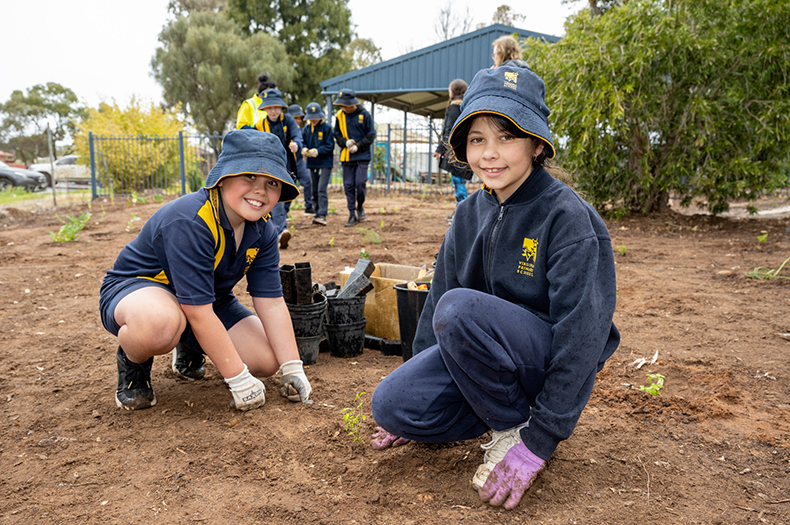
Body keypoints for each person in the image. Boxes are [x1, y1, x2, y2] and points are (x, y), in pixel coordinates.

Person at [370, 65, 620, 510]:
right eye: (477, 139)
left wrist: (539, 440)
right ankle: (500, 414)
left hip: (544, 362)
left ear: (537, 144)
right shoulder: (467, 215)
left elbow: (583, 336)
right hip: (483, 362)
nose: (490, 153)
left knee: (460, 309)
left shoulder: (566, 216)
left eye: (507, 137)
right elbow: (434, 313)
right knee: (391, 403)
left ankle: (513, 429)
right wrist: (413, 384)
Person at [99, 129, 312, 412]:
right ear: (223, 178)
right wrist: (238, 379)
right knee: (160, 325)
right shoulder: (190, 220)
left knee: (267, 360)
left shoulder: (264, 230)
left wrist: (292, 368)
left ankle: (189, 342)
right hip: (141, 289)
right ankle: (133, 360)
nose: (260, 190)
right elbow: (198, 311)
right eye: (249, 176)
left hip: (206, 300)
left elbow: (271, 302)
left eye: (272, 182)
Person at [236, 74, 291, 249]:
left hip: (272, 155)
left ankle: (276, 230)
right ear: (262, 94)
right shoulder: (249, 105)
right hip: (255, 155)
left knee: (273, 192)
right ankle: (262, 232)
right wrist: (258, 137)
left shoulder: (279, 115)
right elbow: (241, 128)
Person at [256, 88, 307, 249]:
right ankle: (279, 232)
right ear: (264, 108)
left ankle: (272, 230)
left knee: (285, 201)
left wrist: (296, 144)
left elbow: (297, 135)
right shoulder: (259, 125)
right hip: (269, 168)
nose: (273, 111)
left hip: (288, 167)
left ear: (281, 107)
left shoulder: (289, 120)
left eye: (276, 107)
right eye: (269, 107)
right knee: (276, 200)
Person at [332, 89, 376, 227]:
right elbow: (337, 135)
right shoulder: (339, 116)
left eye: (346, 106)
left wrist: (358, 146)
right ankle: (352, 214)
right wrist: (345, 143)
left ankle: (360, 206)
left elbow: (371, 135)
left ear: (353, 104)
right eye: (342, 106)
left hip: (362, 156)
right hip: (346, 157)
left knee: (360, 183)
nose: (344, 108)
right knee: (349, 186)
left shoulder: (365, 115)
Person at [432, 79, 473, 223]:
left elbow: (448, 131)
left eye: (449, 90)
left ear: (453, 92)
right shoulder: (466, 107)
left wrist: (440, 149)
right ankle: (460, 212)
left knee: (458, 182)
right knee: (459, 182)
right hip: (465, 151)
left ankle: (461, 214)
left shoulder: (454, 108)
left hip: (455, 153)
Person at [301, 102, 335, 226]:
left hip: (325, 163)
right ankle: (316, 211)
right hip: (312, 163)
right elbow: (302, 141)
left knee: (321, 189)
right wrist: (304, 149)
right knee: (313, 189)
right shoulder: (306, 129)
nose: (313, 119)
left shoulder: (326, 128)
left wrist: (318, 151)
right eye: (311, 117)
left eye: (315, 117)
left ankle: (322, 214)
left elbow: (330, 146)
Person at [285, 104, 315, 216]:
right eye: (295, 118)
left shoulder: (300, 130)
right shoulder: (284, 128)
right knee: (288, 185)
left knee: (307, 180)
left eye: (299, 118)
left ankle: (309, 206)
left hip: (299, 161)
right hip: (287, 163)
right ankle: (284, 211)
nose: (298, 120)